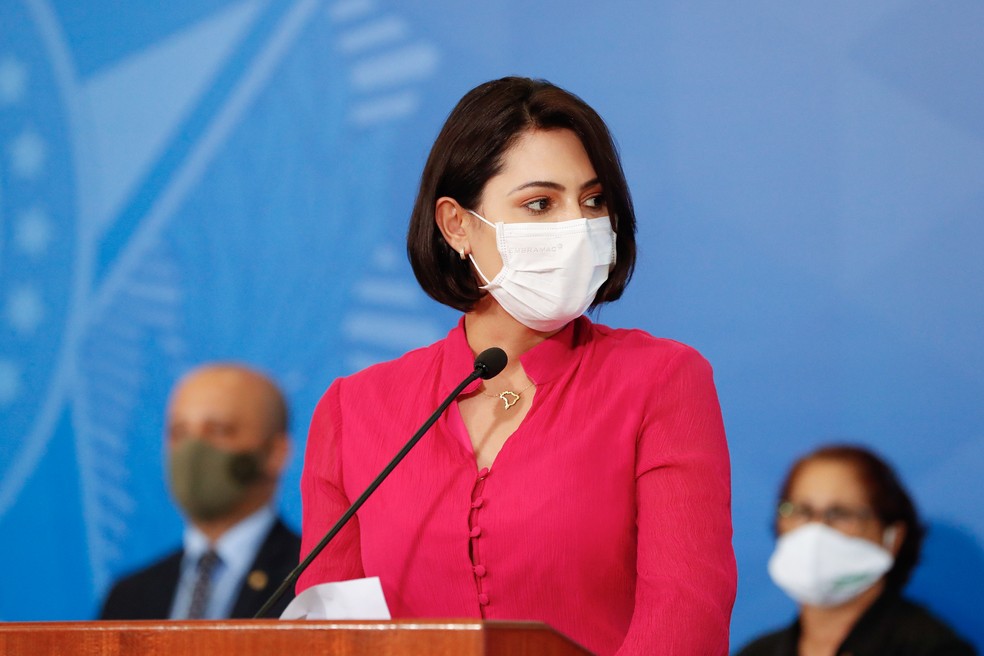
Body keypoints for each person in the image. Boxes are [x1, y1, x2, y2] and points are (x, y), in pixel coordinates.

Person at [297, 77, 736, 654]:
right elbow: (329, 631)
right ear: (457, 225)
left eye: (593, 201)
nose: (576, 227)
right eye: (539, 204)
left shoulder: (661, 381)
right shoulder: (356, 409)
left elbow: (685, 616)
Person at [100, 363, 301, 620]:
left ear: (275, 453)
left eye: (218, 430)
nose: (192, 451)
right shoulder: (129, 596)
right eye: (179, 432)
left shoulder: (311, 584)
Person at [736, 444, 976, 656]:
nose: (815, 531)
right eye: (801, 511)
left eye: (839, 514)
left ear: (892, 537)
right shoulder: (757, 652)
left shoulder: (934, 649)